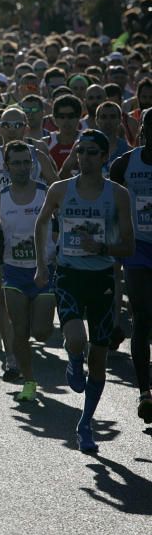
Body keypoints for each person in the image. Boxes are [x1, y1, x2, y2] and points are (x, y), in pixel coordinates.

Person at [34, 129, 135, 453]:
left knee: (100, 357)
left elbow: (129, 246)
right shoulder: (60, 189)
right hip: (68, 275)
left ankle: (86, 423)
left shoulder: (118, 194)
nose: (86, 157)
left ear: (105, 157)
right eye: (82, 151)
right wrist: (41, 264)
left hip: (103, 278)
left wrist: (102, 245)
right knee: (76, 338)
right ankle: (73, 358)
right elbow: (41, 224)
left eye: (93, 152)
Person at [0, 141, 56, 402]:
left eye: (27, 162)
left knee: (43, 331)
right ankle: (29, 380)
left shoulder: (46, 193)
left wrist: (53, 248)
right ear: (7, 165)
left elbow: (61, 222)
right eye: (17, 162)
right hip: (13, 271)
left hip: (43, 270)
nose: (23, 167)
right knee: (20, 330)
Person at [109, 110, 152, 423]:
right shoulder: (124, 164)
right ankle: (145, 391)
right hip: (137, 248)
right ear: (143, 131)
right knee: (142, 316)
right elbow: (110, 206)